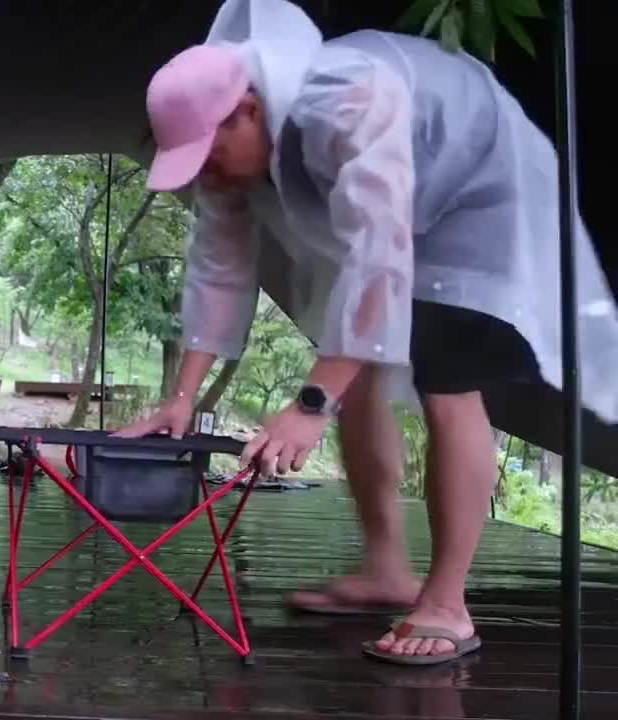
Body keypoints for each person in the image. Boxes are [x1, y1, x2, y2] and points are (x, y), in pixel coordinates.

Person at [116, 0, 618, 666]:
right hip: (399, 206)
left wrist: (309, 406)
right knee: (359, 365)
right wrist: (182, 396)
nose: (203, 170)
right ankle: (386, 568)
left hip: (477, 180)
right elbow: (219, 268)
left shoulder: (346, 99)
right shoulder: (230, 157)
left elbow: (382, 254)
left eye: (206, 151)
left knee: (446, 370)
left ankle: (447, 605)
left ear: (247, 109)